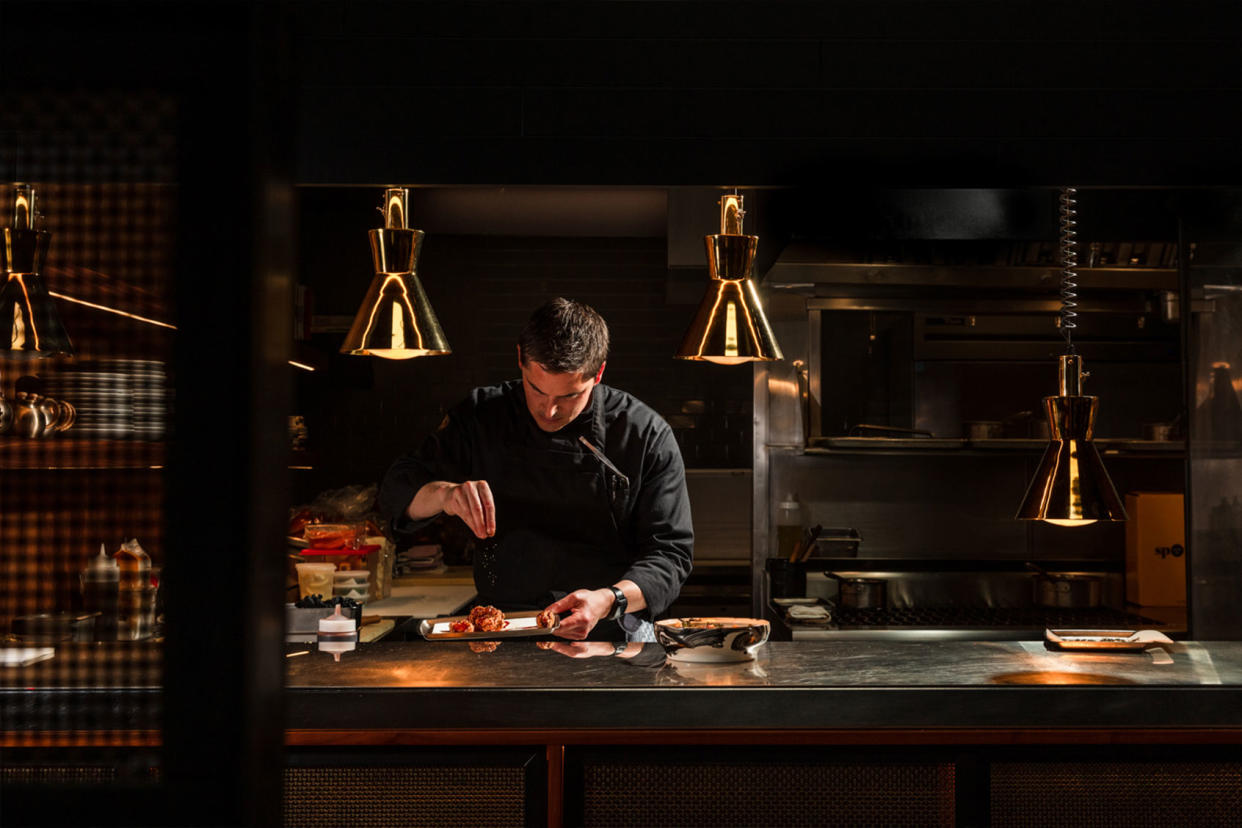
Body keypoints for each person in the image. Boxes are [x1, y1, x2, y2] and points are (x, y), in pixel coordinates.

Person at [379, 297, 694, 642]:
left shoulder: (644, 434)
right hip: (499, 627)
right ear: (520, 360)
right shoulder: (481, 417)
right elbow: (396, 489)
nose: (550, 411)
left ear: (599, 373)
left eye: (570, 396)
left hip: (610, 631)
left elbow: (670, 555)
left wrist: (608, 600)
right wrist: (445, 494)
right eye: (536, 389)